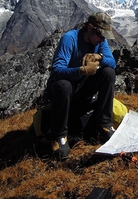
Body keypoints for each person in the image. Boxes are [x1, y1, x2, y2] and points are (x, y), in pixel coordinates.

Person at [47, 12, 116, 160]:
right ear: (90, 28)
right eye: (101, 34)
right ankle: (59, 136)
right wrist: (81, 71)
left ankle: (104, 124)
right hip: (66, 91)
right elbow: (57, 71)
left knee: (108, 73)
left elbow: (113, 63)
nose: (103, 39)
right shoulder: (69, 39)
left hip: (83, 89)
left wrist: (101, 57)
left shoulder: (99, 41)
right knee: (63, 86)